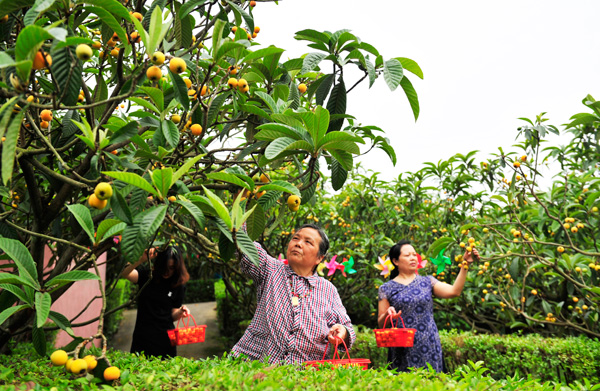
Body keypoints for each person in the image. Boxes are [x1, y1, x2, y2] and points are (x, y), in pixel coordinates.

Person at [231, 224, 356, 364]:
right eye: (295, 238)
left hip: (306, 374)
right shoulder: (269, 269)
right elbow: (242, 240)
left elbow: (347, 328)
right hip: (255, 366)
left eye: (308, 242)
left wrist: (342, 332)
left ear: (319, 258)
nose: (298, 244)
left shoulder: (328, 290)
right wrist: (243, 203)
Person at [377, 240, 479, 372]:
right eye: (407, 255)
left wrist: (465, 264)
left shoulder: (428, 282)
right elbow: (381, 325)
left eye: (414, 254)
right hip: (401, 348)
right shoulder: (386, 288)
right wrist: (387, 314)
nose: (413, 258)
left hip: (429, 344)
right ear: (396, 261)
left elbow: (455, 291)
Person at [122, 246, 190, 358]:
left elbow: (172, 315)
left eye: (172, 268)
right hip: (142, 337)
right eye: (165, 267)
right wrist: (140, 259)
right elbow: (125, 273)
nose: (167, 272)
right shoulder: (147, 276)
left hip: (166, 340)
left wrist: (180, 312)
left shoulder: (178, 285)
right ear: (159, 263)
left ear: (177, 267)